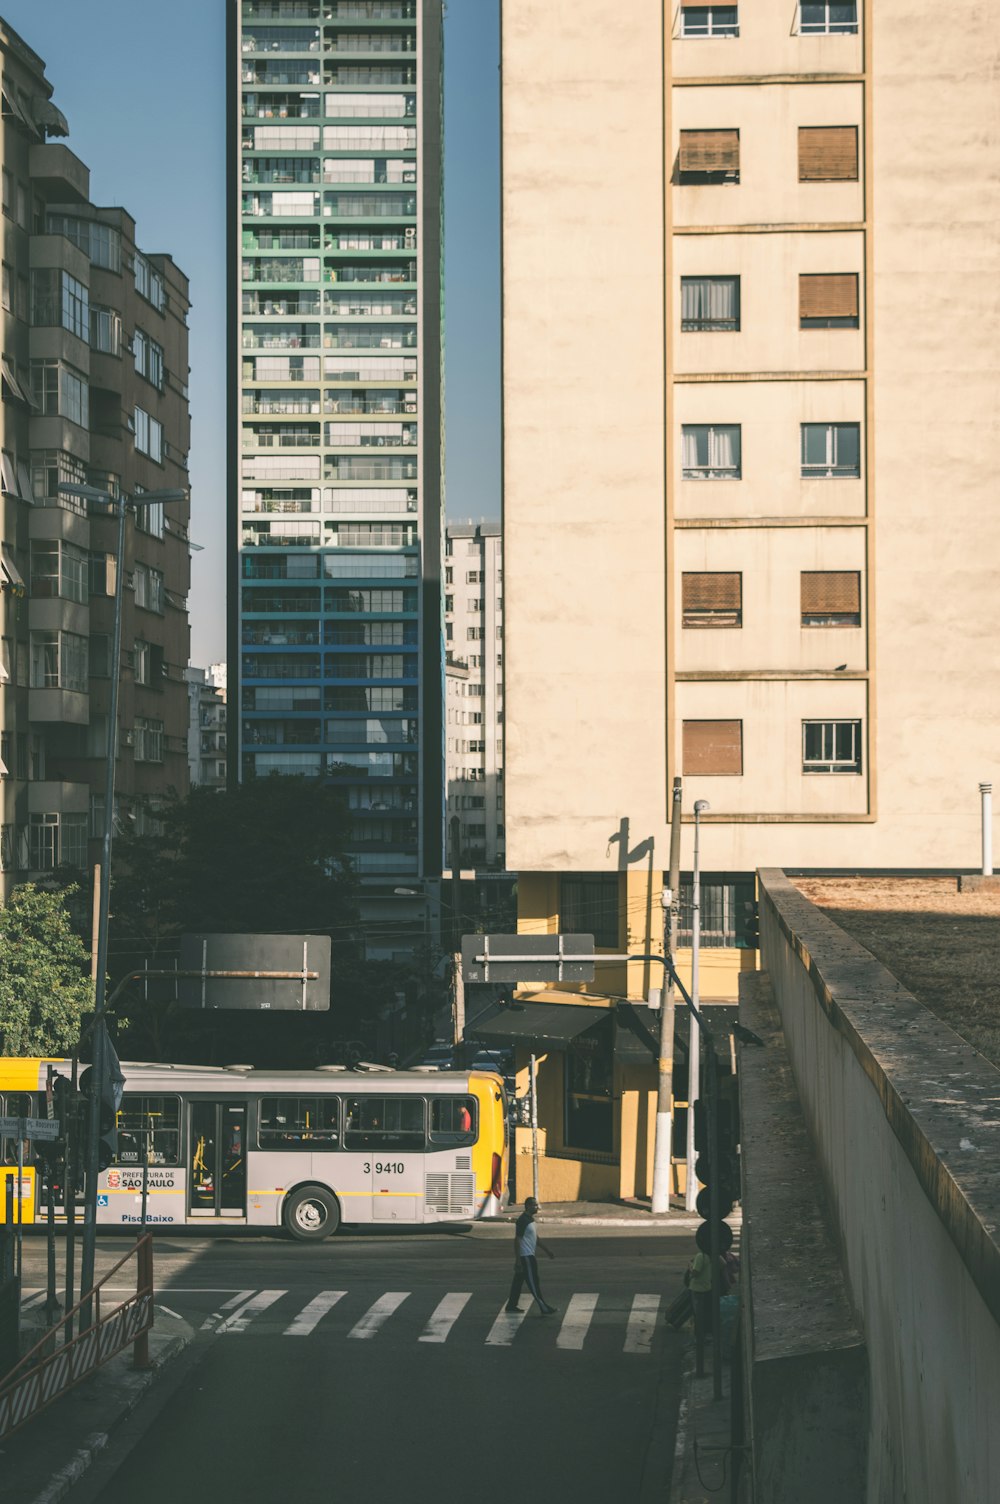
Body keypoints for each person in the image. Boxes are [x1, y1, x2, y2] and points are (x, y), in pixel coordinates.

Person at [506, 1196, 557, 1315]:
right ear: (528, 1206)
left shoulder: (530, 1220)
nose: (537, 1207)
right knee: (533, 1282)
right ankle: (544, 1307)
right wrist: (518, 1260)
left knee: (518, 1282)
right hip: (526, 1257)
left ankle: (511, 1305)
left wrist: (547, 1251)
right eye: (534, 1205)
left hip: (529, 1256)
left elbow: (536, 1239)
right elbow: (517, 1240)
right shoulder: (522, 1220)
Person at [687, 1248, 713, 1377]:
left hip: (697, 1289)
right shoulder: (711, 1255)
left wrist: (690, 1267)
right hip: (707, 1287)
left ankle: (699, 1339)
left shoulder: (700, 1256)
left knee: (698, 1315)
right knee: (704, 1315)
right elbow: (723, 1264)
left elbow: (695, 1273)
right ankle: (703, 1337)